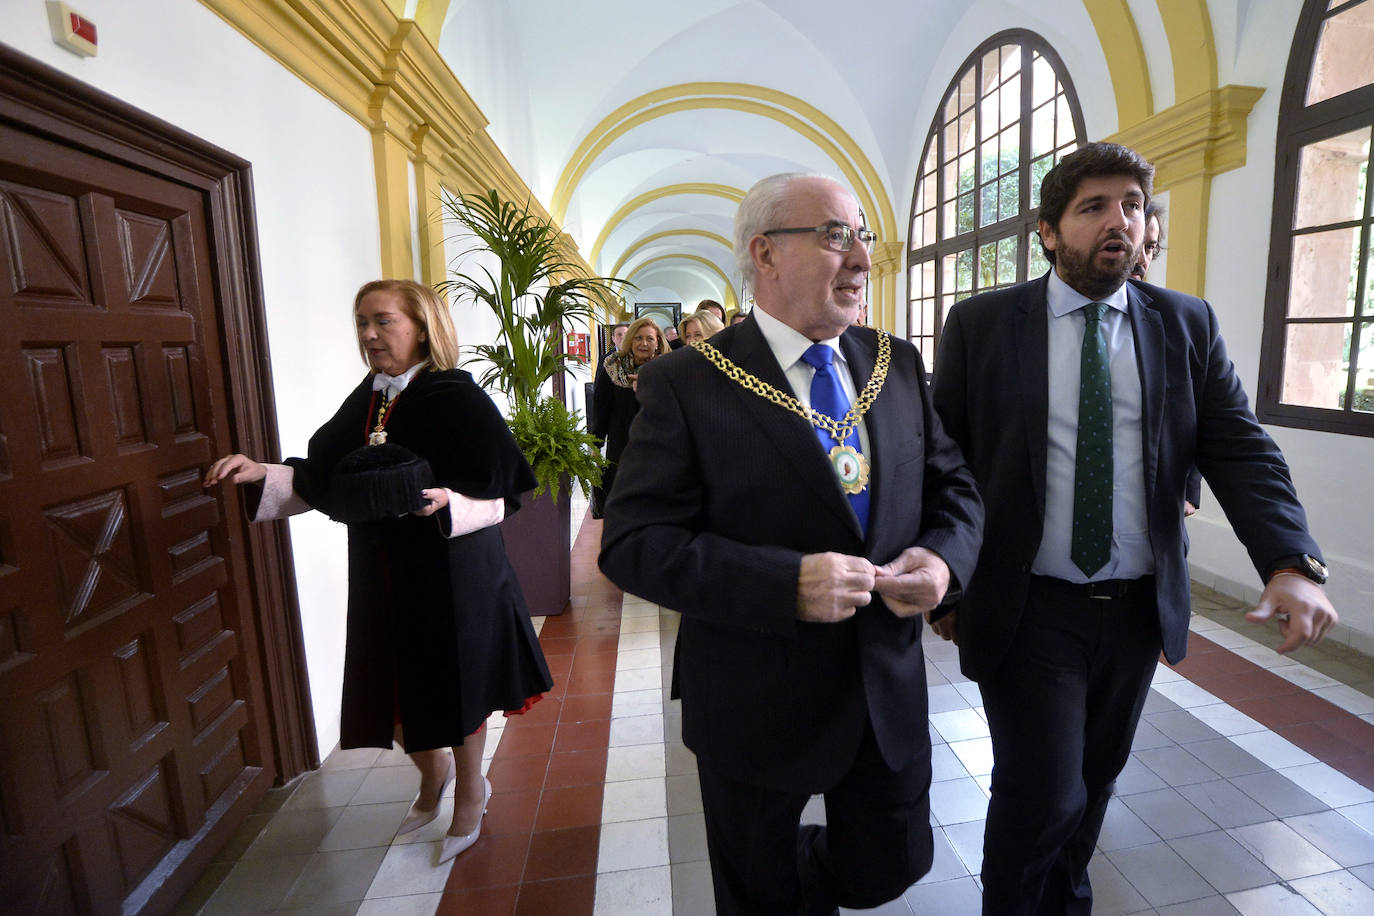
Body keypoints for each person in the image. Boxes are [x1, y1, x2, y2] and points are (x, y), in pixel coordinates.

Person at [930, 143, 1338, 915]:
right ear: (1048, 231)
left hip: (1135, 607)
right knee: (1042, 790)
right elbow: (946, 458)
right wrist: (948, 581)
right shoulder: (983, 324)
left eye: (1132, 206)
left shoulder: (1183, 323)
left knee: (1093, 781)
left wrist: (1289, 560)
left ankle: (1064, 901)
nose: (1120, 220)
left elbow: (1239, 445)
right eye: (1094, 207)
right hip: (1028, 603)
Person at [600, 173, 984, 914]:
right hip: (753, 692)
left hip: (882, 682)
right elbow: (635, 543)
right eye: (836, 235)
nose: (862, 259)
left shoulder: (893, 362)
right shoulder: (686, 381)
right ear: (765, 254)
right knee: (756, 892)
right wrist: (785, 584)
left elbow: (956, 487)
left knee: (892, 865)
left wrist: (944, 560)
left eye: (862, 237)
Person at [203, 279, 553, 864]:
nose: (369, 334)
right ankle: (432, 770)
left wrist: (450, 502)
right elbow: (323, 474)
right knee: (389, 675)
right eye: (362, 322)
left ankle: (471, 790)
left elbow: (507, 491)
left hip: (454, 565)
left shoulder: (455, 396)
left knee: (459, 681)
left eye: (383, 321)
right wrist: (260, 470)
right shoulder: (369, 398)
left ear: (422, 326)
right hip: (383, 567)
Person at [1131, 203, 1202, 516]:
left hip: (1155, 517)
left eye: (1150, 247)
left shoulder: (1180, 321)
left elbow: (1196, 413)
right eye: (1134, 244)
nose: (1141, 259)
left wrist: (1190, 488)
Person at [591, 316, 669, 513]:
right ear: (629, 340)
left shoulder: (668, 369)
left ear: (658, 342)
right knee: (622, 505)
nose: (643, 343)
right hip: (620, 446)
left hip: (657, 447)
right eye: (638, 338)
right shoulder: (612, 366)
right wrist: (595, 444)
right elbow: (601, 407)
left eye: (650, 339)